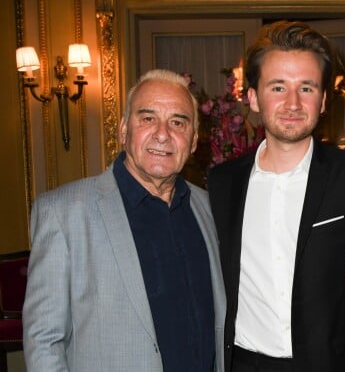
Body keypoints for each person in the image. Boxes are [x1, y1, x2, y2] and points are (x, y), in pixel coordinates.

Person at [207, 20, 345, 372]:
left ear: (323, 100)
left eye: (306, 88)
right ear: (252, 97)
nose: (293, 102)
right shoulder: (222, 182)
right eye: (278, 87)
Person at [23, 69, 225, 372]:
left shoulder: (211, 209)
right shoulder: (63, 213)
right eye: (147, 118)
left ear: (194, 141)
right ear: (122, 130)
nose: (162, 133)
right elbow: (44, 341)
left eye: (178, 122)